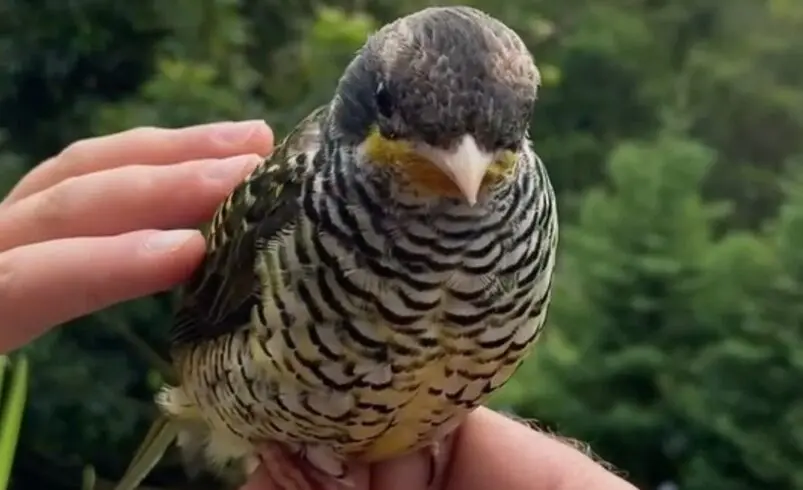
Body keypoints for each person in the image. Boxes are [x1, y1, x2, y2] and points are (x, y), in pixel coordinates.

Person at [0, 121, 637, 490]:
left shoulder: (527, 213)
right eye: (418, 128)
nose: (463, 170)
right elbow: (203, 329)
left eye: (494, 144)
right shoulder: (295, 196)